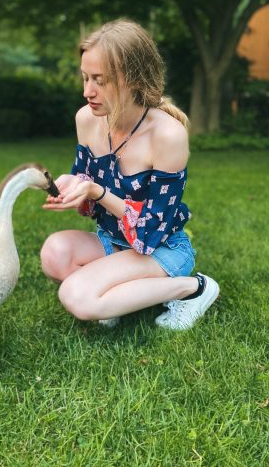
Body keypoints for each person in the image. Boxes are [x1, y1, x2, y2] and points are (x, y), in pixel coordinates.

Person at [40, 18, 219, 330]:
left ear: (133, 78)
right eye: (85, 78)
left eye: (100, 80)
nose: (87, 91)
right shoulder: (87, 119)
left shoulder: (166, 135)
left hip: (161, 249)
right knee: (54, 253)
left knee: (75, 295)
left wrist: (97, 192)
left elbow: (150, 232)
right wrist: (69, 185)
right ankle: (113, 298)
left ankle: (194, 289)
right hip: (114, 240)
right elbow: (83, 178)